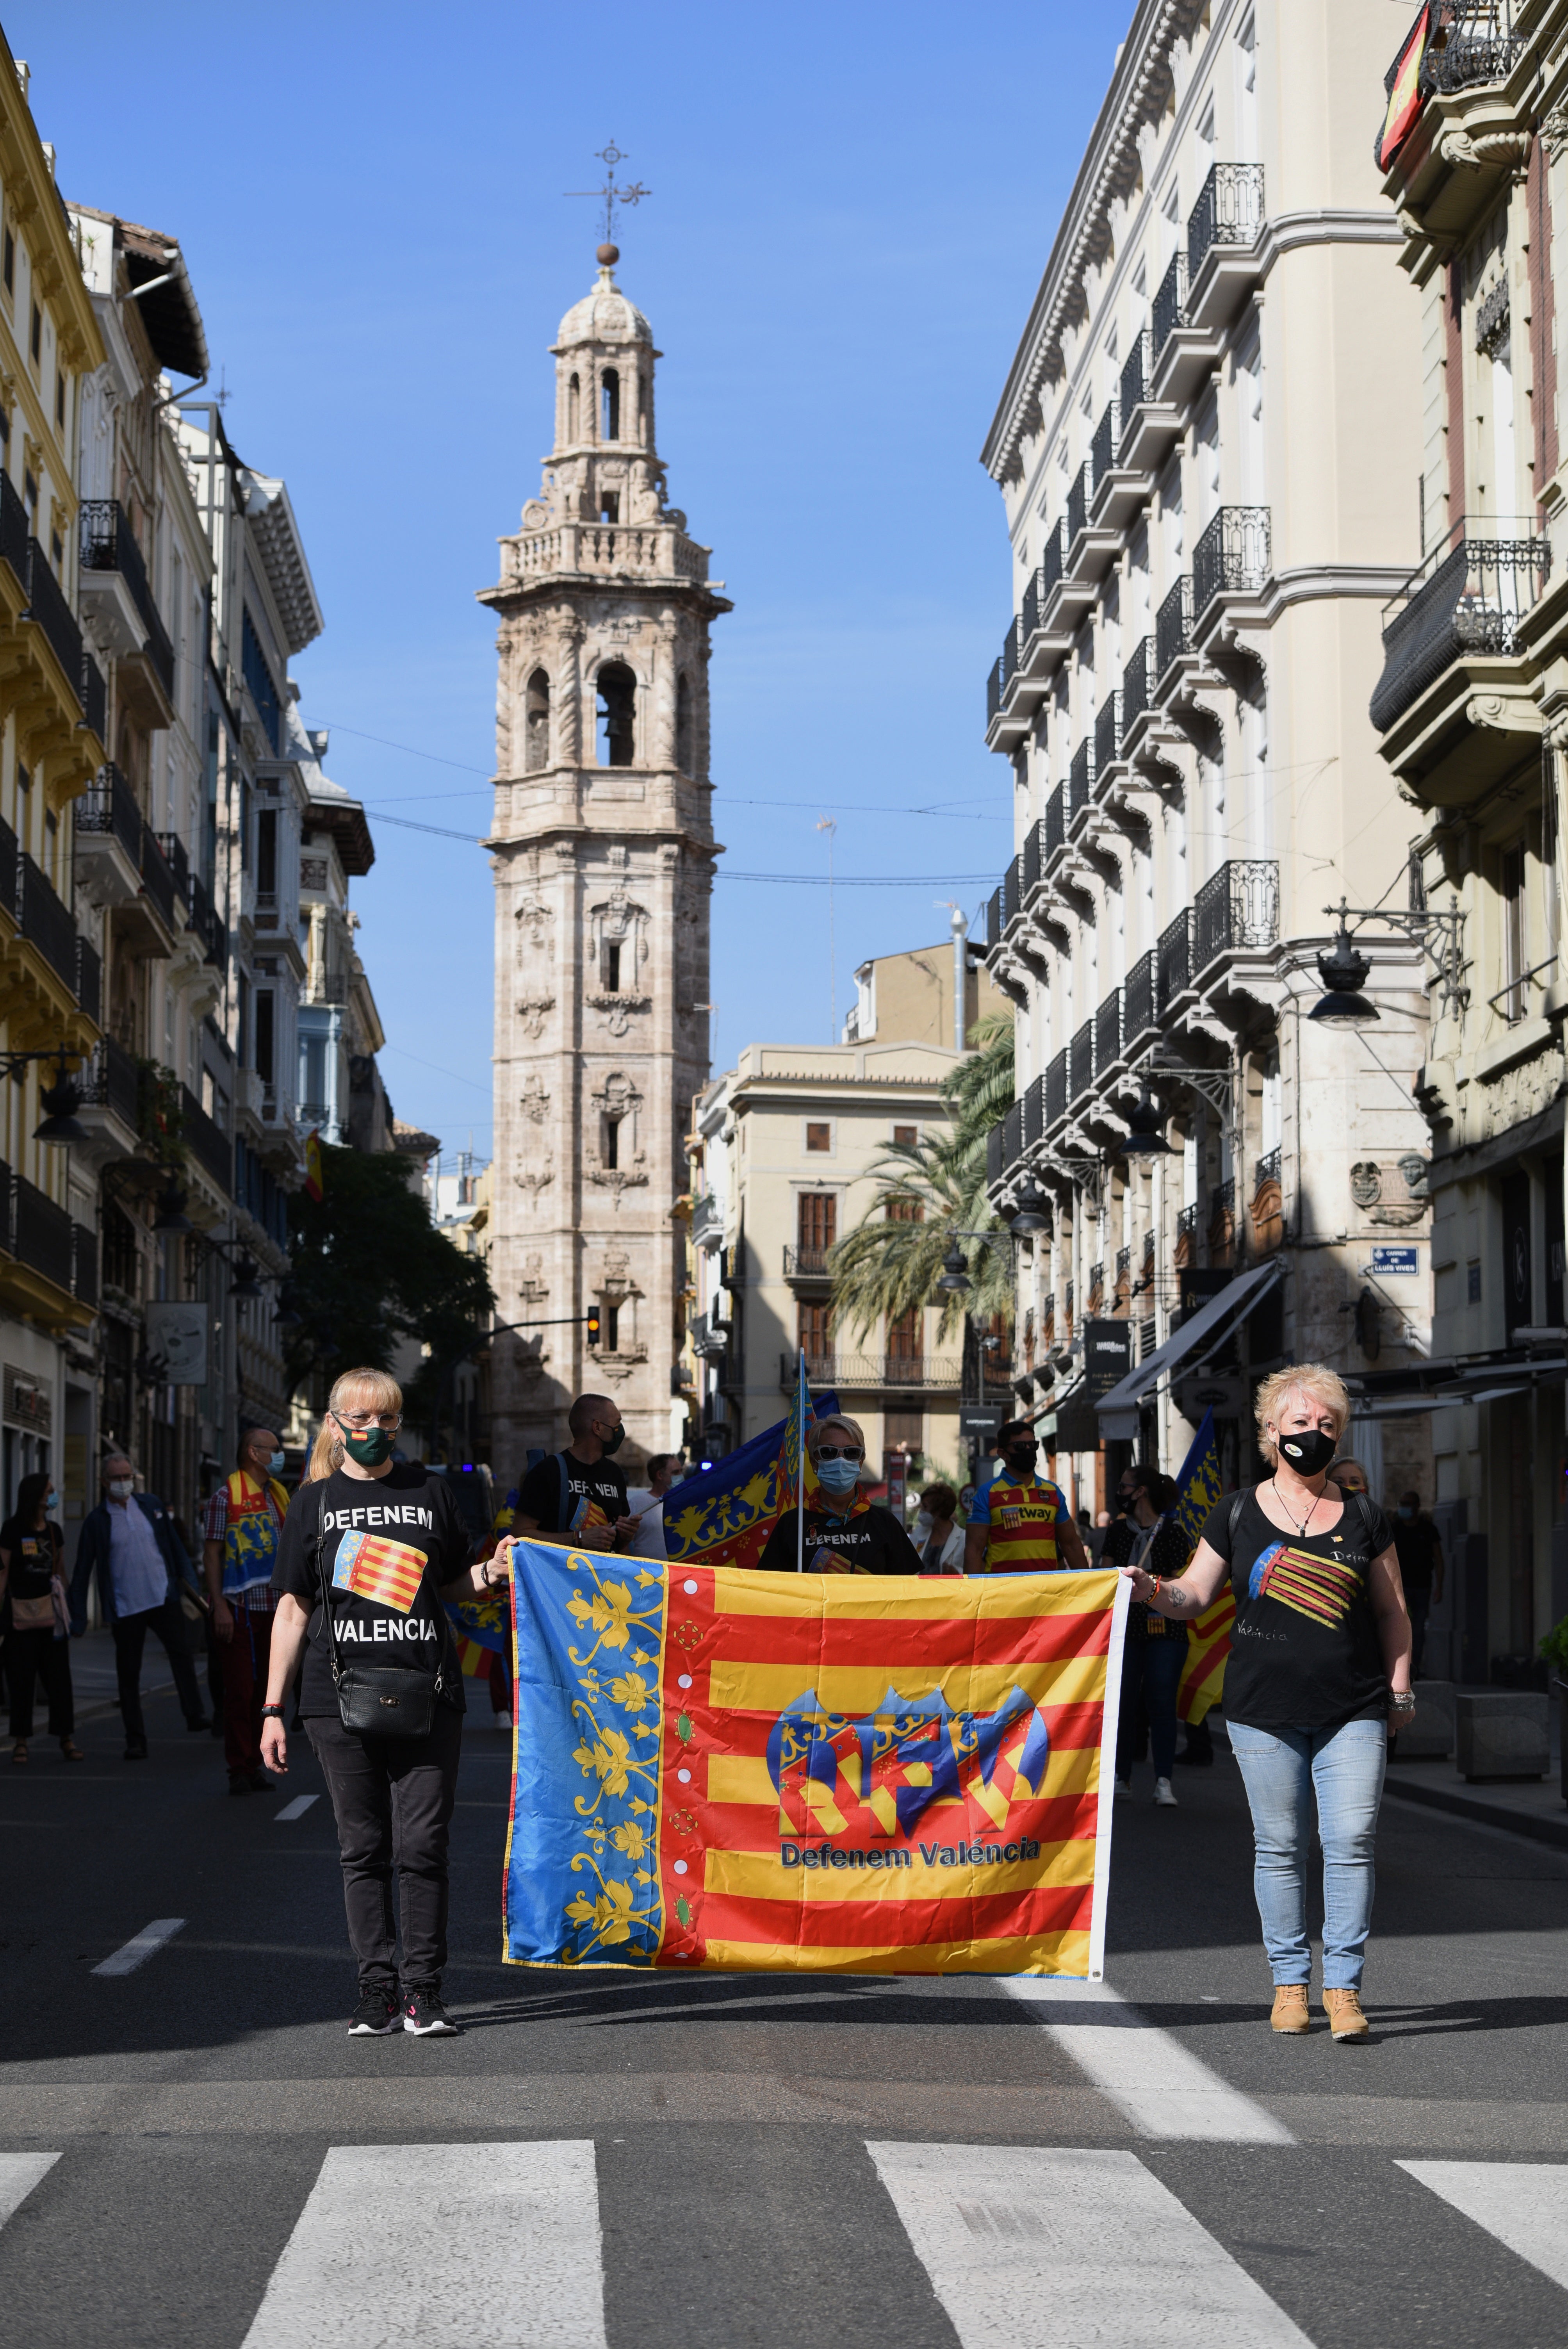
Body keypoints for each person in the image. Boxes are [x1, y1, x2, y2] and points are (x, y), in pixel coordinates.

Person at [1118, 1363, 1413, 2042]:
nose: (1314, 1434)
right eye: (1301, 1422)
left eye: (1327, 1424)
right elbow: (1193, 1596)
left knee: (1349, 1842)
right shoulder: (1237, 1512)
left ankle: (1342, 1989)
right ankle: (1289, 1983)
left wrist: (1400, 1689)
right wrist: (1150, 1590)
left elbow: (1393, 1614)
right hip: (1260, 1710)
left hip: (1354, 1707)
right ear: (1270, 1432)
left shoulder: (1365, 1515)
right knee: (1279, 1846)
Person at [260, 1367, 508, 2038]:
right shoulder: (312, 1502)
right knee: (362, 1847)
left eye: (389, 1419)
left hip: (428, 1691)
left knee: (424, 1845)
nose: (376, 1431)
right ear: (335, 1424)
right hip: (334, 1698)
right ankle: (375, 1991)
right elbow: (291, 1607)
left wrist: (494, 1570)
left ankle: (423, 1993)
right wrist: (271, 1709)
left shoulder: (432, 1491)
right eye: (363, 1419)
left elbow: (455, 1584)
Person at [69, 1453, 208, 1759]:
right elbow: (82, 1572)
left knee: (182, 1654)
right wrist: (78, 1618)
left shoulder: (151, 1506)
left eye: (127, 1476)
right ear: (105, 1482)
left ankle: (195, 1714)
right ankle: (136, 1739)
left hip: (163, 1597)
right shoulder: (97, 1521)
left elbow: (176, 1548)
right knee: (129, 1674)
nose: (123, 1483)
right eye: (117, 1478)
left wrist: (191, 1587)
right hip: (126, 1607)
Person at [201, 1424, 291, 1796]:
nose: (280, 1454)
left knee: (264, 1695)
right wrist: (218, 1605)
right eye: (274, 1448)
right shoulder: (226, 1497)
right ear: (254, 1453)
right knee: (239, 1691)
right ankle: (239, 1767)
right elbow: (212, 1552)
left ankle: (255, 1765)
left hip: (276, 1608)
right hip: (239, 1609)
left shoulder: (279, 1495)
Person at [1103, 1466, 1189, 1807]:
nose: (1119, 1491)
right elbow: (1106, 1572)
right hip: (1126, 1628)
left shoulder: (1172, 1531)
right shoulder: (1116, 1531)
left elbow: (1180, 1580)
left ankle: (1164, 1781)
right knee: (1122, 1704)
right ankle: (1121, 1777)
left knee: (1161, 1702)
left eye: (1124, 1486)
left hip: (1166, 1626)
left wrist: (1149, 1581)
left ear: (1139, 1492)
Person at [756, 1413, 925, 1573]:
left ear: (861, 1462)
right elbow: (771, 1589)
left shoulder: (885, 1523)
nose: (841, 1460)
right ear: (814, 1462)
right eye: (829, 1452)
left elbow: (907, 1589)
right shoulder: (793, 1524)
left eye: (851, 1452)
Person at [1, 1471, 80, 1764]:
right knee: (21, 1681)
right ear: (36, 1496)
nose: (54, 1494)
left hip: (52, 1617)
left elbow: (59, 1571)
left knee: (59, 1680)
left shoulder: (54, 1531)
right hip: (19, 1615)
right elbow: (3, 1571)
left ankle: (66, 1738)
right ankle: (21, 1741)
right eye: (50, 1491)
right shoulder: (11, 1530)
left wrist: (71, 1609)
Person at [511, 1394, 637, 1553]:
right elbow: (519, 1535)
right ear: (597, 1427)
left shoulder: (615, 1473)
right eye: (618, 1423)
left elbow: (618, 1545)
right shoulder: (549, 1470)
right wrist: (578, 1539)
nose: (620, 1430)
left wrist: (626, 1537)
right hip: (560, 1575)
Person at [964, 1420, 1090, 1576]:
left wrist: (1089, 1586)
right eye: (1020, 1447)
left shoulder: (1052, 1492)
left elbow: (1071, 1544)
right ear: (1003, 1454)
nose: (1029, 1450)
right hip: (1004, 1592)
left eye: (1033, 1445)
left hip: (1047, 1591)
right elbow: (974, 1550)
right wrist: (973, 1594)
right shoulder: (986, 1494)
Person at [1391, 1490, 1445, 1679]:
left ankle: (1415, 1669)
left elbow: (1438, 1558)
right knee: (1398, 1627)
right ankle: (1400, 1667)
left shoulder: (1428, 1529)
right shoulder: (1394, 1528)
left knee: (1418, 1629)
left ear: (1417, 1506)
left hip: (1422, 1586)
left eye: (1408, 1503)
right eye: (1402, 1503)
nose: (1404, 1507)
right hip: (1400, 1588)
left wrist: (1440, 1587)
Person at [625, 1451, 679, 1562]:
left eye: (682, 1471)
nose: (681, 1476)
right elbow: (624, 1542)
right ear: (660, 1475)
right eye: (676, 1472)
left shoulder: (682, 1503)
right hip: (646, 1575)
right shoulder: (637, 1503)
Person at [914, 1482, 965, 1575]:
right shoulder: (919, 1532)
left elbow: (974, 1573)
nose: (921, 1510)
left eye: (925, 1506)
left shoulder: (964, 1538)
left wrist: (957, 1574)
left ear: (939, 1511)